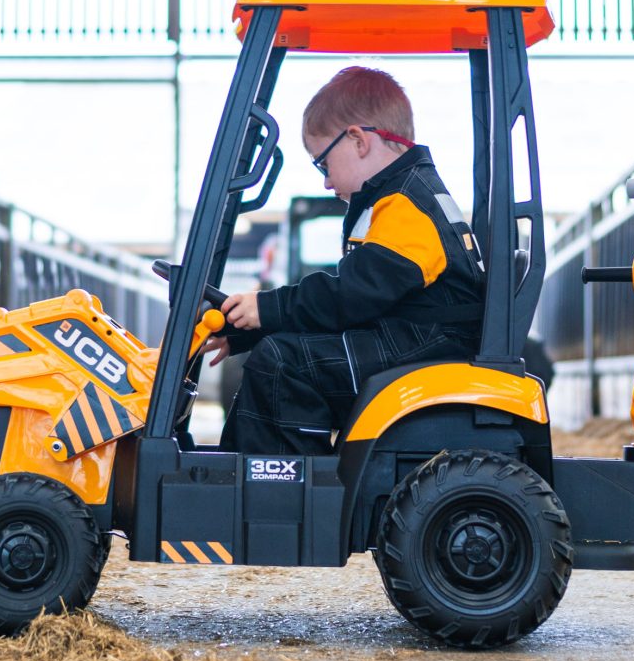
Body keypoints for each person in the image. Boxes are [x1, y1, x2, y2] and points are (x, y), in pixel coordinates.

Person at [206, 65, 485, 456]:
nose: (325, 180)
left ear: (357, 140)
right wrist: (249, 329)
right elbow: (359, 300)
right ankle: (250, 472)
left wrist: (267, 308)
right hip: (418, 338)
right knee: (277, 348)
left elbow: (352, 296)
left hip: (428, 346)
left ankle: (284, 496)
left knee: (283, 364)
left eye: (322, 163)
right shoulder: (402, 195)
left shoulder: (405, 204)